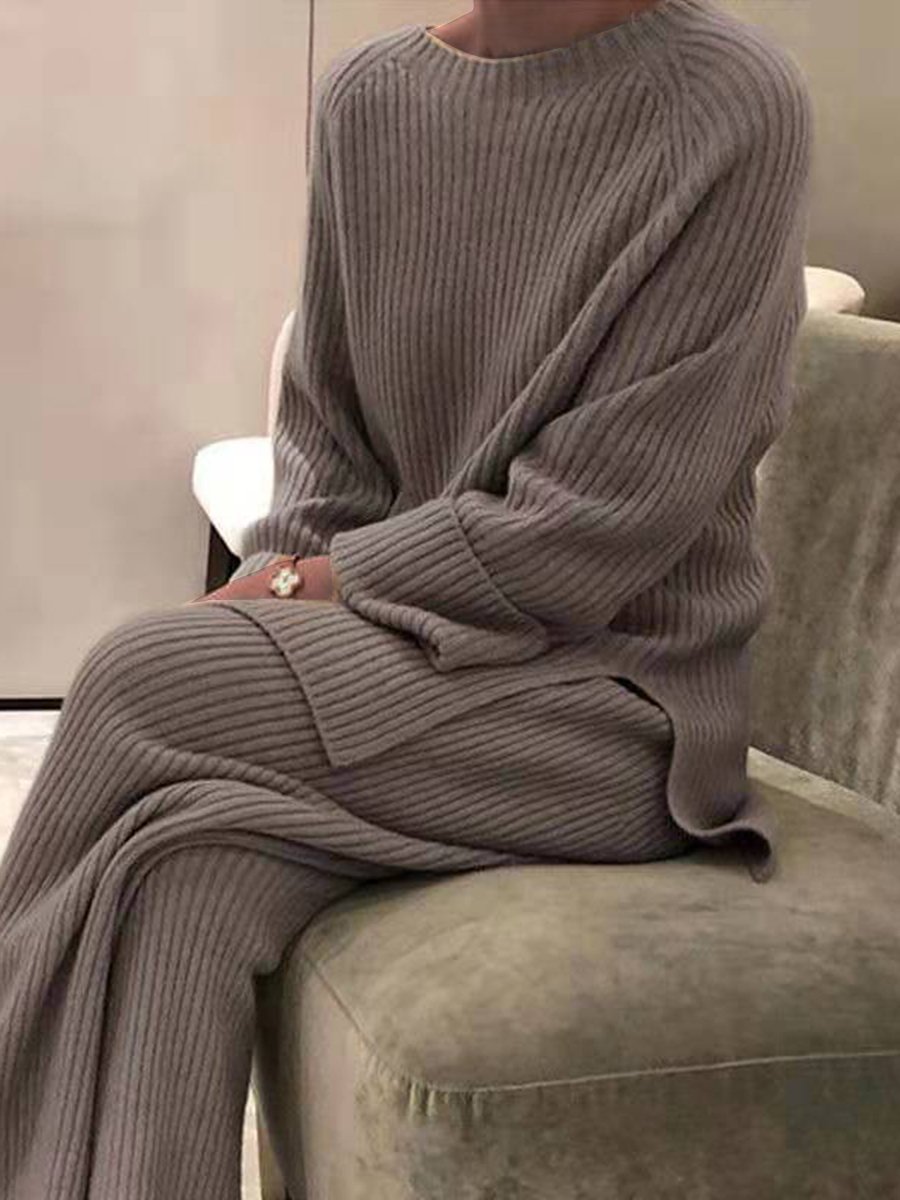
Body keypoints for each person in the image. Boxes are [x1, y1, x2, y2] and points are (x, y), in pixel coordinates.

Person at [0, 0, 813, 1195]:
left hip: (616, 706)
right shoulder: (370, 100)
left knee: (139, 678)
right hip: (409, 670)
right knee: (177, 873)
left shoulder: (734, 101)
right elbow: (326, 445)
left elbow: (603, 522)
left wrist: (313, 586)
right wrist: (287, 587)